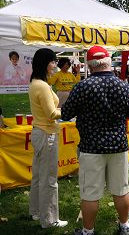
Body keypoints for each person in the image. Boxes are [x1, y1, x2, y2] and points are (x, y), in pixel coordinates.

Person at [61, 45, 129, 235]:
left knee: (90, 193)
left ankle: (88, 231)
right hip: (118, 145)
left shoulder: (82, 86)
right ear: (108, 62)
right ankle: (125, 226)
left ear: (89, 65)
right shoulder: (122, 85)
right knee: (121, 189)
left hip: (91, 146)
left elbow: (66, 113)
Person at [28, 48, 68, 228]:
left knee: (38, 176)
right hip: (47, 134)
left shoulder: (36, 82)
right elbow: (52, 113)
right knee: (49, 178)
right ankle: (49, 219)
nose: (55, 65)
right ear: (44, 63)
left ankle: (36, 212)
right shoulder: (42, 85)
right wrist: (70, 111)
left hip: (40, 132)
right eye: (52, 62)